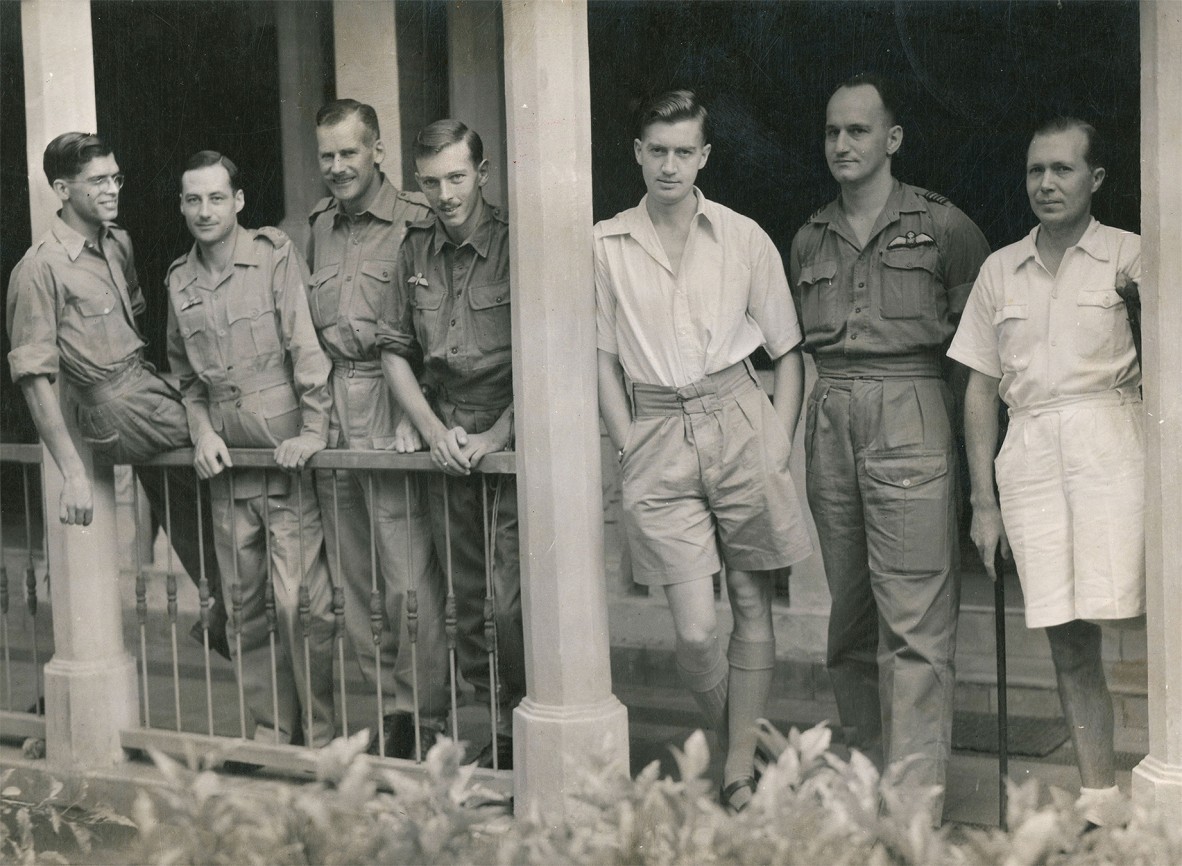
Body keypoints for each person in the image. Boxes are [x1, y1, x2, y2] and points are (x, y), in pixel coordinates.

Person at [596, 90, 814, 812]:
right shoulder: (607, 244)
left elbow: (788, 352)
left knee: (751, 602)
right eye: (656, 150)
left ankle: (736, 774)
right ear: (638, 152)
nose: (669, 164)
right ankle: (746, 749)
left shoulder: (743, 236)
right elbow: (600, 359)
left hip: (741, 416)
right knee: (694, 631)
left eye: (683, 151)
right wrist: (628, 443)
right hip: (656, 428)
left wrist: (777, 440)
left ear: (704, 157)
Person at [788, 74, 990, 816]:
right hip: (831, 409)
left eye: (859, 131)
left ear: (892, 140)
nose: (843, 144)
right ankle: (865, 788)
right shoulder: (809, 236)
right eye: (834, 131)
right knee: (850, 619)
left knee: (915, 623)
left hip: (912, 408)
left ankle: (912, 814)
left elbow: (981, 354)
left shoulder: (943, 227)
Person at [950, 117, 1142, 826]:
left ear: (1094, 179)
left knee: (1147, 610)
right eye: (1036, 170)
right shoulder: (1002, 269)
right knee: (1066, 632)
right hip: (1029, 453)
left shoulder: (1134, 258)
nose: (1046, 184)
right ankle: (1100, 801)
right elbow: (977, 386)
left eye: (1062, 169)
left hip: (1114, 444)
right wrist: (982, 502)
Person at [6, 132, 228, 658]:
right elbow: (35, 379)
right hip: (111, 405)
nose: (112, 189)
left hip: (143, 383)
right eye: (97, 181)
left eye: (115, 177)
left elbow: (136, 316)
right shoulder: (40, 269)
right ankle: (231, 596)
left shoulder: (117, 241)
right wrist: (73, 473)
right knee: (234, 442)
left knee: (186, 481)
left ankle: (221, 600)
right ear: (62, 189)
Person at [165, 150, 336, 747]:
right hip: (228, 467)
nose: (204, 210)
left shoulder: (271, 256)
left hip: (282, 452)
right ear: (182, 205)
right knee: (242, 605)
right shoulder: (178, 281)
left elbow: (304, 347)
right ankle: (272, 725)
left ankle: (318, 730)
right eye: (193, 199)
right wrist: (202, 431)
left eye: (216, 197)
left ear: (238, 201)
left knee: (298, 603)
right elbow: (187, 380)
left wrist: (312, 432)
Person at [376, 120, 523, 770]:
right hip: (451, 437)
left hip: (518, 438)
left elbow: (547, 357)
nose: (444, 193)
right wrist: (437, 433)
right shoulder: (413, 252)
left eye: (457, 177)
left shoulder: (519, 246)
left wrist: (497, 436)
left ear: (483, 174)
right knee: (469, 603)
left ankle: (527, 723)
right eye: (431, 181)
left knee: (514, 600)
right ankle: (500, 729)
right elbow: (395, 353)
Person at [307, 99, 451, 758]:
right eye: (327, 156)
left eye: (349, 153)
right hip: (336, 409)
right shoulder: (318, 227)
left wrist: (411, 415)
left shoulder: (417, 222)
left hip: (396, 403)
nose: (337, 167)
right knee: (353, 579)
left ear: (377, 151)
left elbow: (436, 331)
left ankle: (424, 715)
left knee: (407, 581)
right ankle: (389, 710)